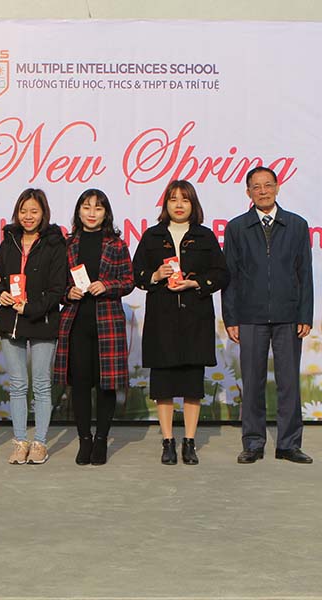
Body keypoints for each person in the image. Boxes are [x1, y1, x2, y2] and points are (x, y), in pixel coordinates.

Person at [132, 180, 228, 465]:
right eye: (173, 199)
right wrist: (155, 275)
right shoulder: (152, 235)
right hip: (161, 321)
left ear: (193, 204)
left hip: (195, 320)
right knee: (163, 386)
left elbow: (221, 273)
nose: (178, 205)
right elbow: (136, 274)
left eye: (184, 200)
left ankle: (189, 441)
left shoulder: (204, 236)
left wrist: (195, 282)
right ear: (165, 204)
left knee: (192, 386)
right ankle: (167, 441)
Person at [222, 166, 314, 464]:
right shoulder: (237, 228)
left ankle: (289, 444)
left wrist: (305, 314)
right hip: (250, 316)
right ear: (248, 192)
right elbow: (230, 276)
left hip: (289, 315)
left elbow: (305, 273)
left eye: (268, 185)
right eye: (256, 187)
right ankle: (253, 442)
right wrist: (231, 318)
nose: (263, 191)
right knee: (252, 382)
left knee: (289, 383)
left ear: (277, 187)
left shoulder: (296, 225)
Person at [54, 189, 134, 465]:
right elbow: (57, 285)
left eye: (98, 208)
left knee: (106, 385)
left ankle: (101, 439)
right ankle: (84, 440)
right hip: (76, 322)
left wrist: (107, 285)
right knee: (79, 385)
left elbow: (128, 281)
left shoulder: (116, 244)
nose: (91, 213)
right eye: (86, 207)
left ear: (106, 213)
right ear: (78, 211)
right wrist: (68, 293)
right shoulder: (67, 244)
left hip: (107, 323)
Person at [0, 188, 66, 465]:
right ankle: (20, 441)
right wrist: (0, 293)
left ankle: (40, 443)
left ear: (43, 213)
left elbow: (58, 288)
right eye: (23, 211)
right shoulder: (8, 241)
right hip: (10, 321)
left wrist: (32, 308)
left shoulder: (55, 243)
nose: (28, 216)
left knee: (42, 385)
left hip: (42, 321)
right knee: (17, 385)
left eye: (34, 211)